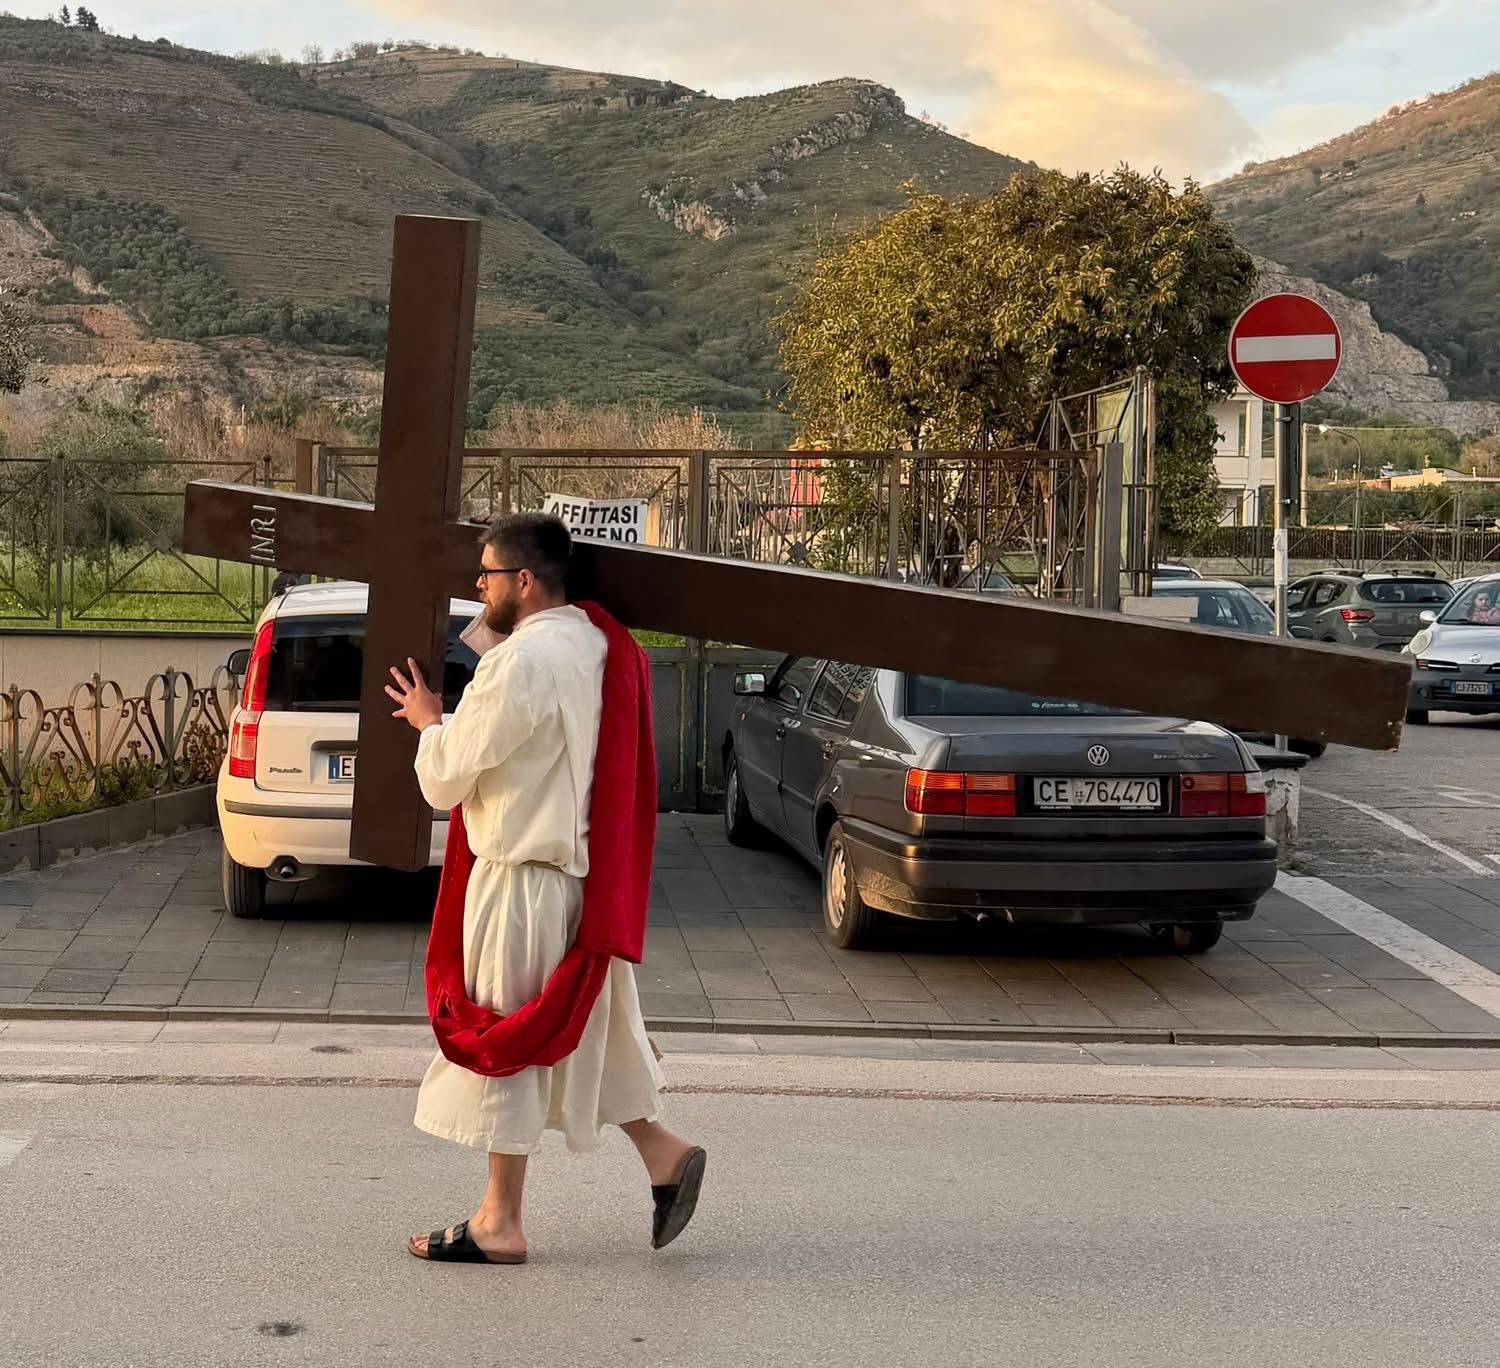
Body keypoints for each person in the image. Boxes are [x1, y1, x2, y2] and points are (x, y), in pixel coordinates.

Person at [384, 512, 705, 1265]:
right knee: (587, 1035)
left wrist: (430, 720)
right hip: (576, 877)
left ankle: (500, 1221)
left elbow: (445, 777)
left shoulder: (521, 665)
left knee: (508, 1043)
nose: (477, 586)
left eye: (488, 575)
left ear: (522, 582)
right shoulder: (595, 643)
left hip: (518, 882)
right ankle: (665, 1154)